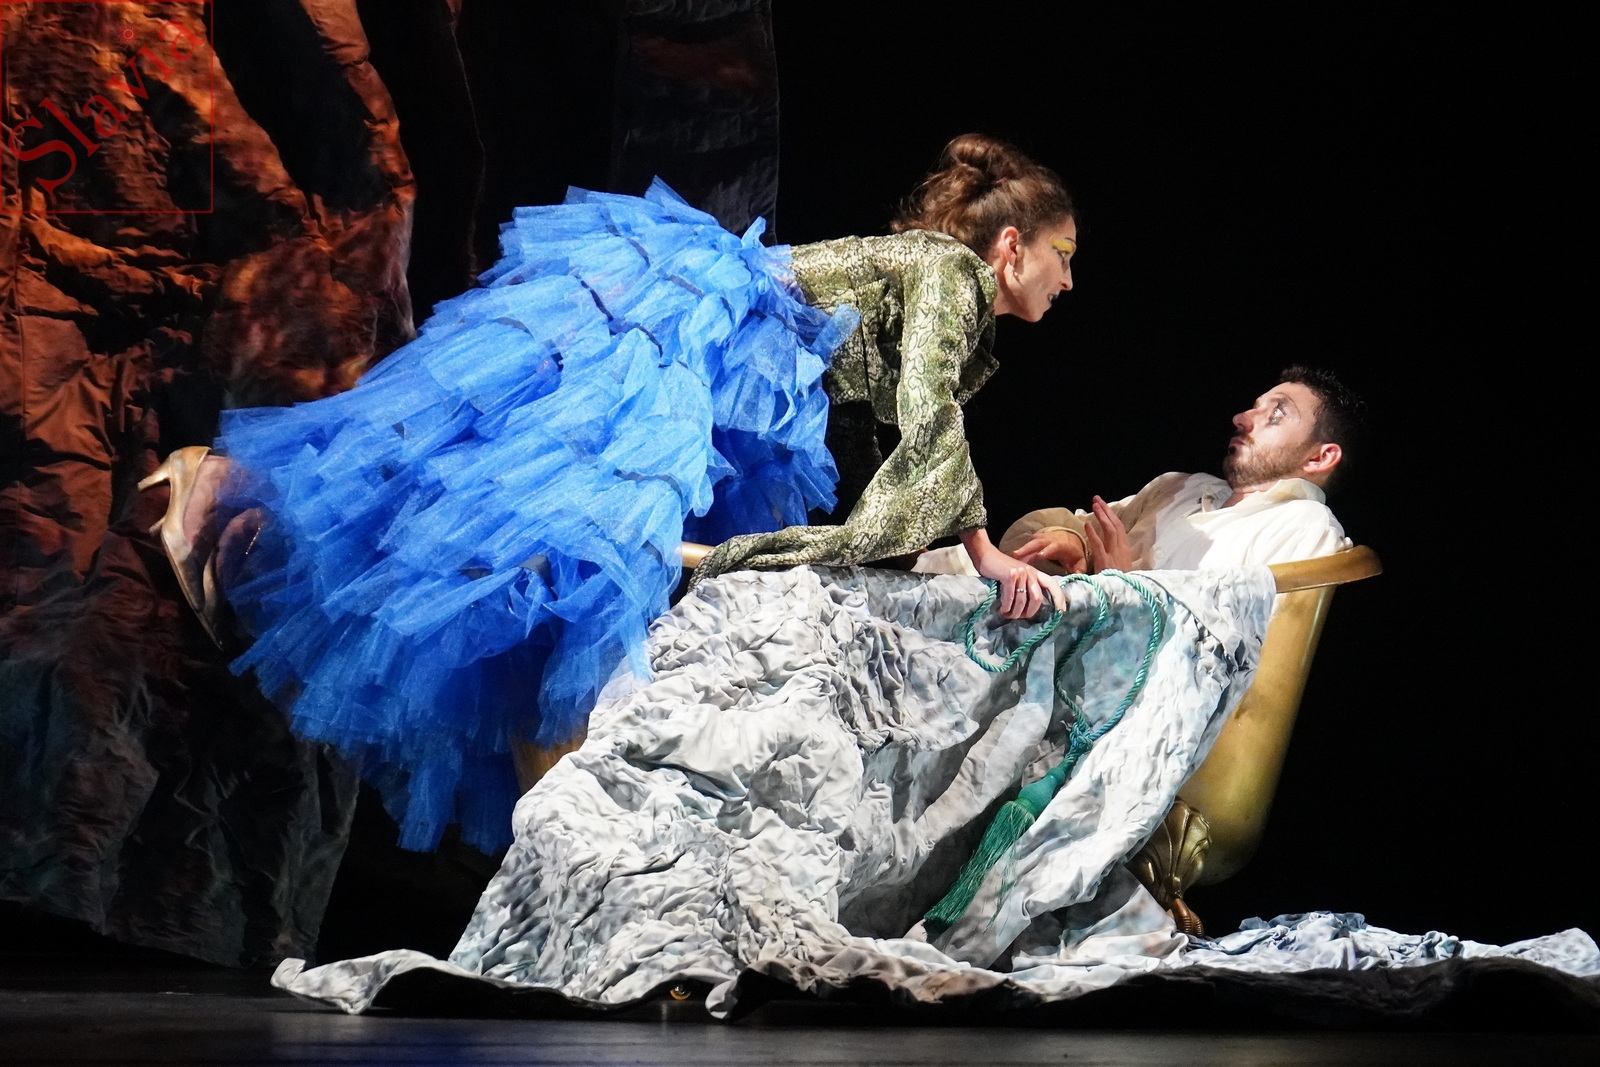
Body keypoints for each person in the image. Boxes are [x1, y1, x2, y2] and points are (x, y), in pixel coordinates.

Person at [138, 134, 1081, 852]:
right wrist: (983, 549)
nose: (1069, 279)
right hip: (701, 331)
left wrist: (909, 547)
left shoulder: (941, 288)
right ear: (1010, 246)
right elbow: (927, 412)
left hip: (722, 356)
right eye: (1063, 253)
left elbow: (885, 434)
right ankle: (238, 488)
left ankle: (250, 506)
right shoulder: (953, 270)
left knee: (524, 530)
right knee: (536, 528)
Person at [916, 367, 1363, 581]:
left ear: (1320, 457)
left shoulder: (1304, 527)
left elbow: (1232, 652)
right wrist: (1075, 545)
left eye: (1276, 414)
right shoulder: (1182, 487)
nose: (1243, 418)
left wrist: (1119, 583)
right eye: (1255, 406)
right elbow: (1085, 529)